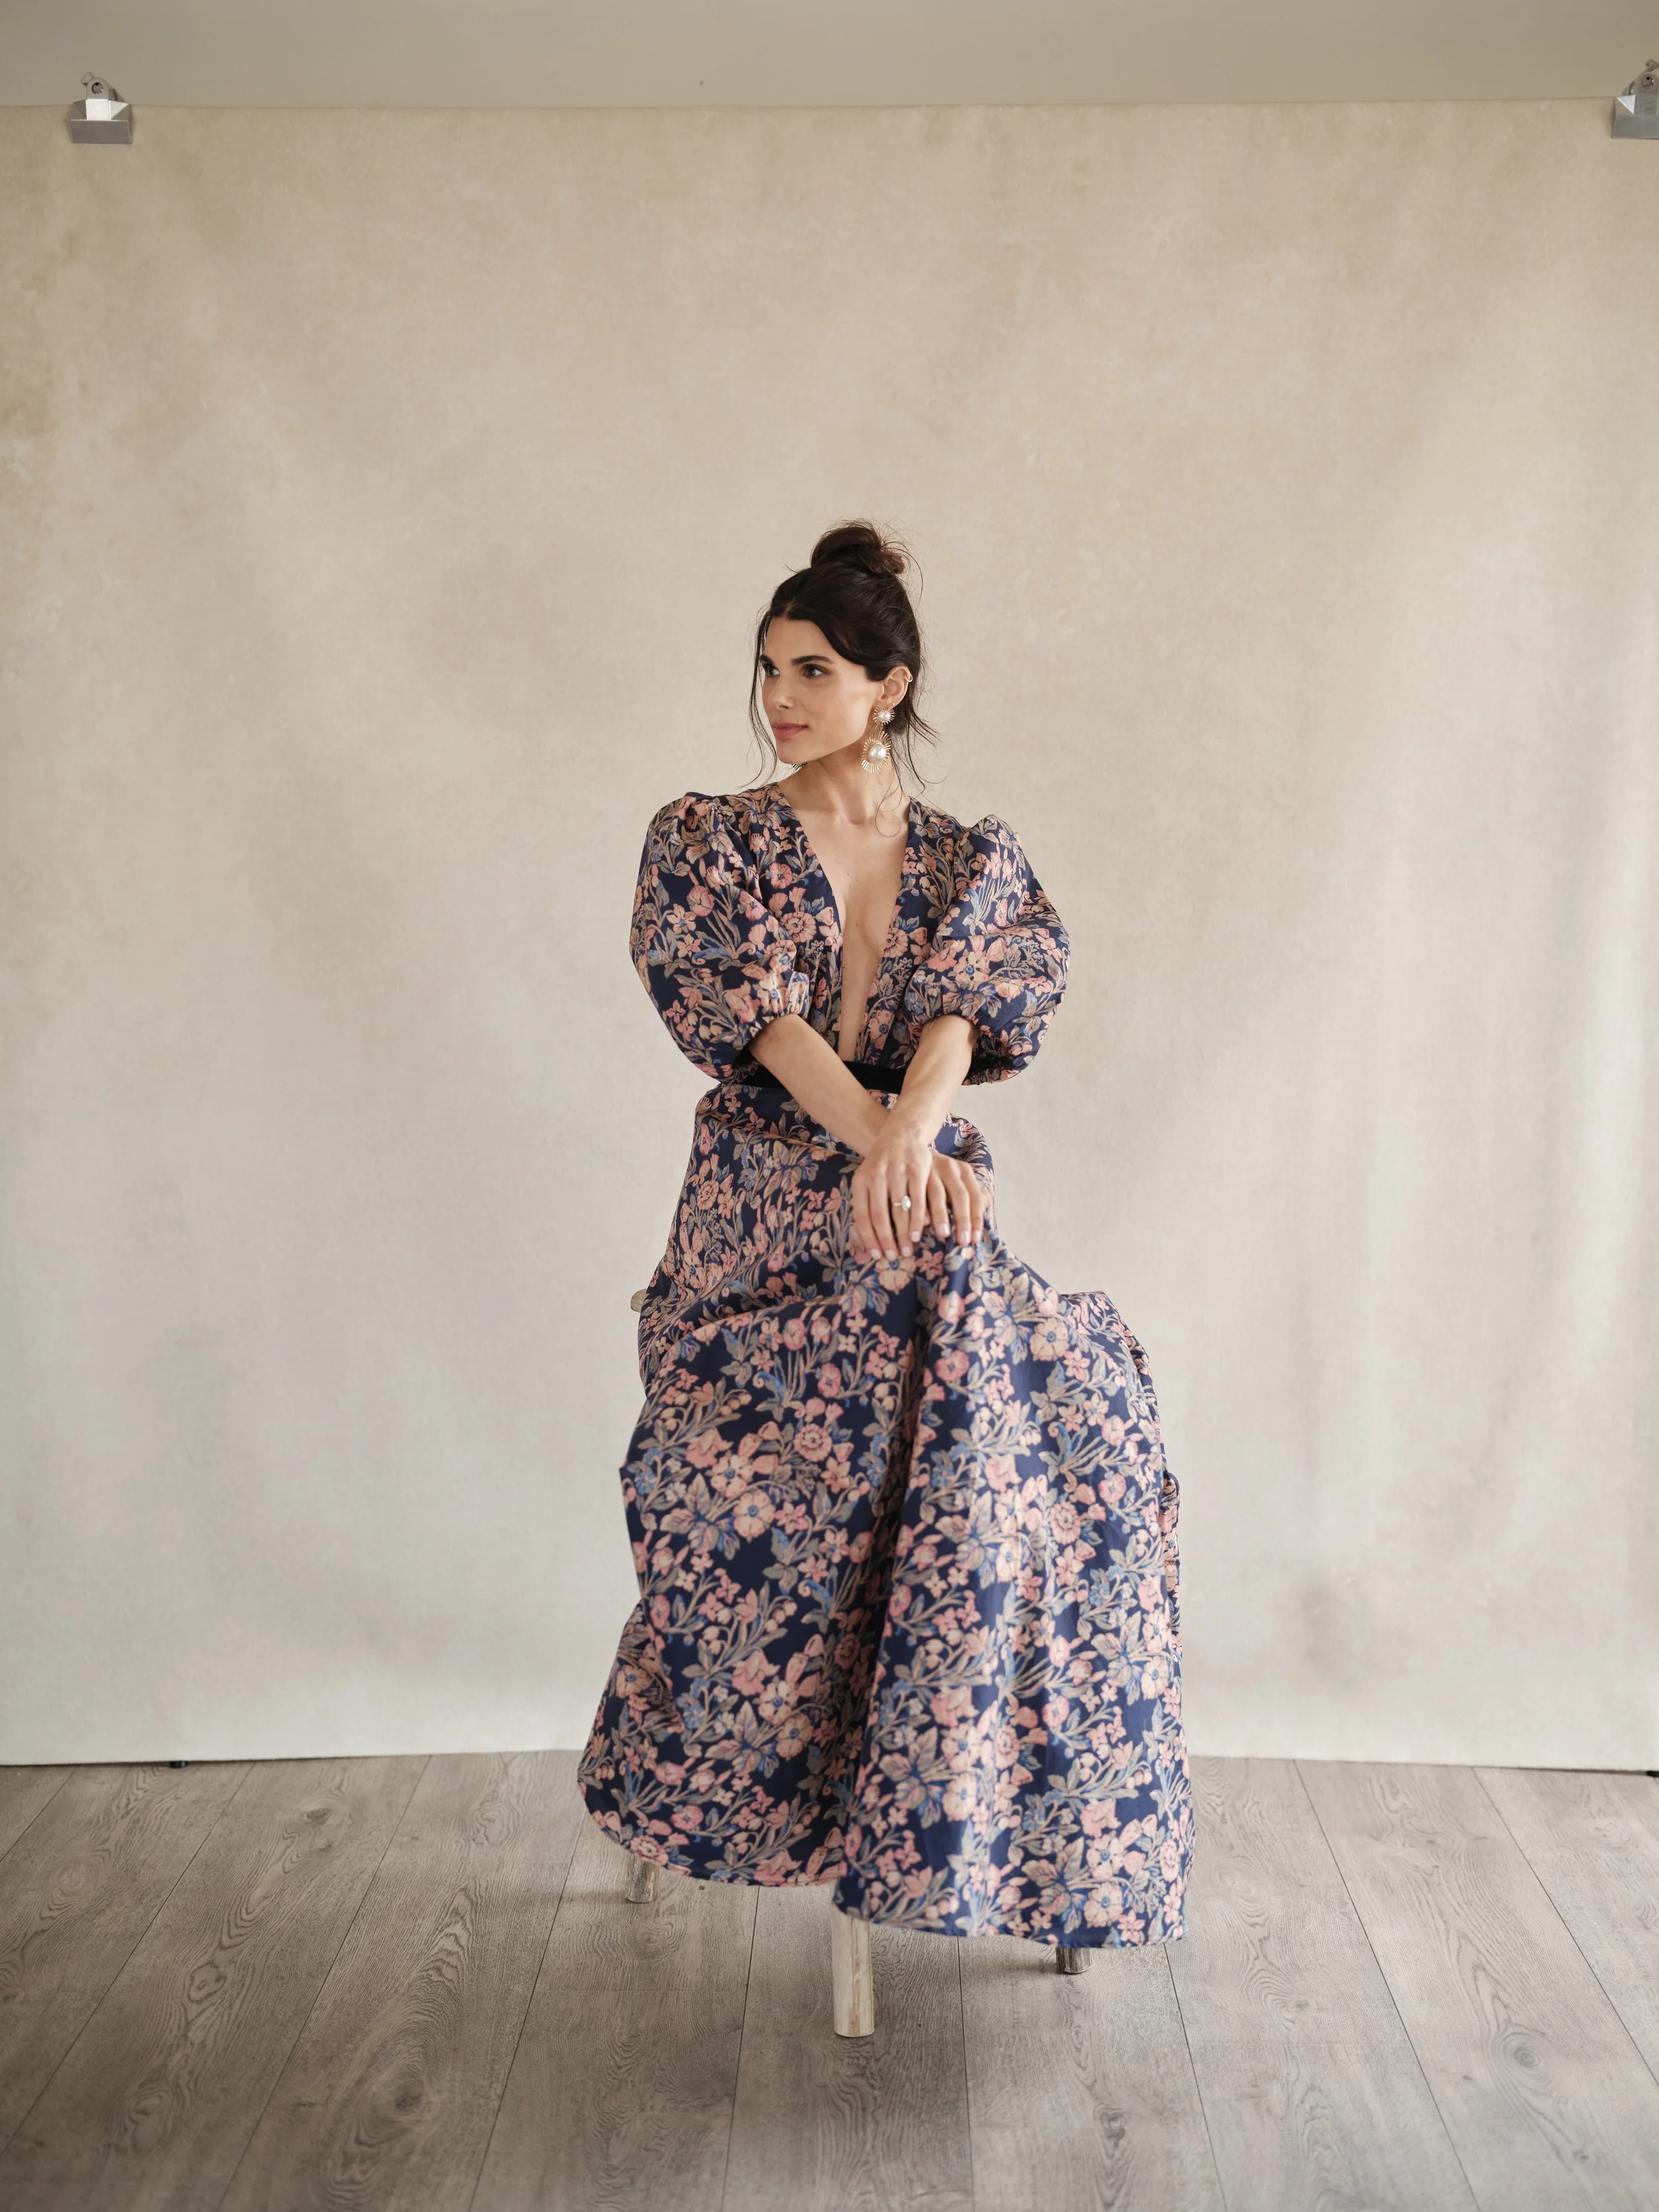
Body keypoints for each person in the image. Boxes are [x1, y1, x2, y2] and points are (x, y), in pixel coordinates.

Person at [578, 521, 1192, 1952]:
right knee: (858, 1389)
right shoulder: (710, 841)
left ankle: (1015, 1832)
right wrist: (882, 1143)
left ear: (887, 686)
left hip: (913, 1194)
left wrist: (909, 1138)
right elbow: (769, 1029)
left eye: (812, 668)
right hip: (760, 1206)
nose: (778, 695)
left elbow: (957, 1027)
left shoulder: (969, 860)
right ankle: (821, 1803)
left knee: (1070, 1433)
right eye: (768, 666)